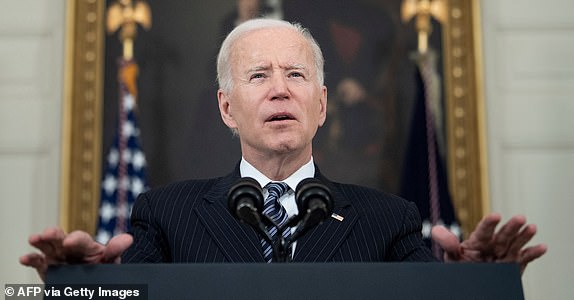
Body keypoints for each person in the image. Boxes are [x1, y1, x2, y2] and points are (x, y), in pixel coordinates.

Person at [20, 18, 547, 281]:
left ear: (320, 106)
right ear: (227, 109)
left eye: (296, 75)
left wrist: (479, 287)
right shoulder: (167, 214)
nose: (280, 89)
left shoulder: (389, 221)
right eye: (258, 75)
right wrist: (74, 288)